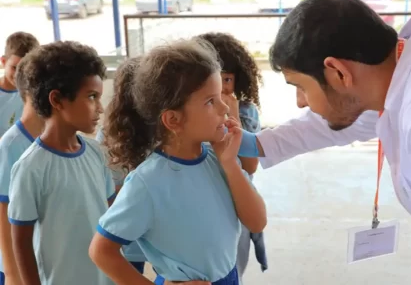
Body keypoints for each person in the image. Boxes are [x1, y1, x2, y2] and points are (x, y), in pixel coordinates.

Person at [237, 0, 411, 282]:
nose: (301, 101)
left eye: (300, 86)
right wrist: (248, 142)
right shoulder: (394, 77)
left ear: (338, 72)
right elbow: (321, 126)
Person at [88, 38, 267, 285]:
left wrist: (230, 165)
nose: (225, 107)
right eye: (210, 101)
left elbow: (257, 221)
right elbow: (101, 251)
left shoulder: (218, 158)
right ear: (173, 120)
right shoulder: (147, 182)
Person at [7, 41, 116, 285]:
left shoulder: (96, 154)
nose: (100, 108)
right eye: (91, 97)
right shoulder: (30, 167)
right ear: (56, 99)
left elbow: (111, 218)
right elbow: (21, 244)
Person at [196, 32, 267, 284]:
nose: (221, 87)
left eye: (226, 79)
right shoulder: (192, 112)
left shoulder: (246, 111)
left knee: (233, 264)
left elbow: (251, 166)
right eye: (212, 79)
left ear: (238, 80)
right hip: (201, 198)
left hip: (237, 197)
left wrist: (234, 120)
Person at [95, 56, 147, 275]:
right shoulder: (108, 136)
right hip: (125, 238)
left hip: (150, 234)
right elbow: (106, 193)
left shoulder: (164, 128)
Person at [0, 55, 44, 285]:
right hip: (16, 264)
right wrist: (12, 274)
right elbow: (4, 212)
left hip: (40, 259)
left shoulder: (54, 142)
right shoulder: (11, 145)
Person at [0, 31, 39, 137]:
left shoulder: (37, 92)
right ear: (3, 62)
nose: (20, 75)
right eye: (14, 68)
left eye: (27, 68)